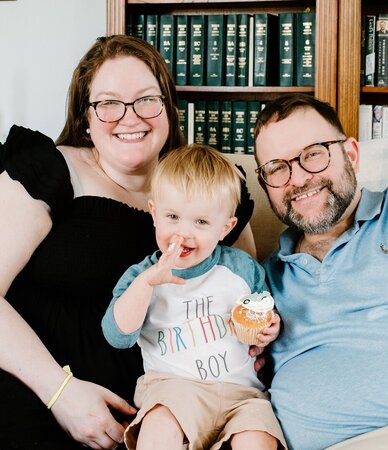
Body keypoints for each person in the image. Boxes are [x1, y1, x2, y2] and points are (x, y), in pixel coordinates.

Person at [0, 35, 256, 450]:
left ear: (167, 109)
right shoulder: (48, 169)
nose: (130, 117)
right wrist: (61, 393)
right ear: (85, 115)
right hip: (33, 393)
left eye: (145, 100)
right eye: (108, 104)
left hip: (159, 415)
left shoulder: (213, 191)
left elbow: (241, 293)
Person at [253, 93, 388, 450]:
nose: (297, 178)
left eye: (313, 153)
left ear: (352, 156)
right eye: (277, 168)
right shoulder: (260, 283)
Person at [101, 144, 286, 450]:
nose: (183, 233)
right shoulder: (142, 276)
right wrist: (147, 284)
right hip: (174, 391)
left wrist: (268, 332)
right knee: (160, 425)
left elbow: (261, 315)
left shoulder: (242, 269)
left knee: (258, 438)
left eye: (200, 222)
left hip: (242, 395)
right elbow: (117, 336)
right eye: (172, 216)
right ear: (154, 214)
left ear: (226, 228)